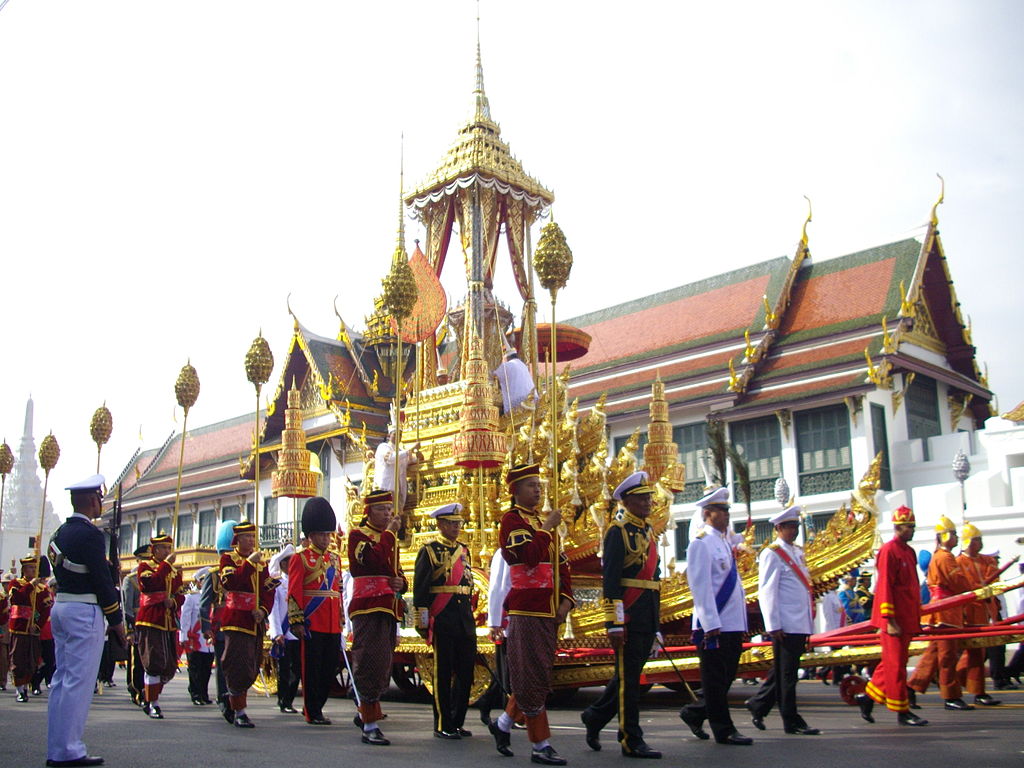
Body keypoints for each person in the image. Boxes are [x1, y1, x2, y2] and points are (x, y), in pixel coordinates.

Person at [488, 463, 574, 766]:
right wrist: (547, 528)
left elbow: (562, 566)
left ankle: (502, 725)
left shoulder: (540, 522)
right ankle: (541, 744)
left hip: (549, 609)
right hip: (525, 609)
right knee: (532, 676)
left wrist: (565, 601)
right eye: (530, 485)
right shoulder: (511, 522)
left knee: (537, 674)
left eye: (539, 485)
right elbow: (529, 557)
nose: (537, 489)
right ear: (515, 491)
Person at [45, 473, 126, 768]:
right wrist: (116, 619)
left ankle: (58, 746)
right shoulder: (91, 535)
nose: (100, 504)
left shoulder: (59, 535)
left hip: (63, 607)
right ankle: (69, 749)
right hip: (84, 611)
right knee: (78, 683)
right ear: (92, 501)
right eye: (99, 499)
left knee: (63, 680)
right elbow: (102, 582)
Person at [580, 470, 662, 758]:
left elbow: (655, 577)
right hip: (627, 614)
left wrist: (657, 622)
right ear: (627, 500)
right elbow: (611, 580)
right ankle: (631, 738)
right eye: (642, 498)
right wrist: (614, 622)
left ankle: (596, 716)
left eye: (648, 497)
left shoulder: (648, 531)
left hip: (646, 614)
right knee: (629, 682)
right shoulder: (617, 532)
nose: (648, 502)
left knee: (628, 676)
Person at [678, 487, 753, 746]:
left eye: (727, 511)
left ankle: (695, 712)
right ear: (708, 514)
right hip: (714, 624)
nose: (726, 515)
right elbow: (700, 586)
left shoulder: (723, 541)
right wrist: (710, 623)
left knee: (726, 677)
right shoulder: (700, 543)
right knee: (715, 678)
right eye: (721, 511)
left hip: (732, 622)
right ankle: (724, 729)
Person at [746, 504, 820, 735]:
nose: (794, 530)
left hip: (799, 622)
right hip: (785, 624)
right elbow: (767, 590)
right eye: (789, 526)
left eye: (795, 526)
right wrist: (773, 625)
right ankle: (791, 720)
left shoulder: (797, 552)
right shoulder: (772, 553)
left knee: (783, 671)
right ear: (778, 528)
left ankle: (759, 705)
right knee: (788, 675)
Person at [855, 505, 927, 726]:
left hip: (907, 617)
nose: (913, 530)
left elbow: (912, 587)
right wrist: (889, 620)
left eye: (913, 526)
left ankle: (867, 698)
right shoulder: (889, 551)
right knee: (896, 666)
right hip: (894, 619)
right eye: (909, 526)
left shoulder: (909, 551)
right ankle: (902, 711)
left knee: (892, 663)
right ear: (898, 527)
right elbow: (885, 586)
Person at [348, 488, 407, 745]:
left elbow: (397, 571)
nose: (387, 514)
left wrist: (400, 583)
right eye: (382, 509)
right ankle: (369, 723)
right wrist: (391, 533)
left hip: (387, 607)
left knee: (383, 663)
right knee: (370, 662)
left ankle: (368, 712)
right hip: (368, 606)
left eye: (389, 510)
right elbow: (371, 560)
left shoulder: (388, 539)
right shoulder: (358, 536)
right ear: (369, 511)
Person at [414, 502, 477, 739]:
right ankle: (443, 723)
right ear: (440, 524)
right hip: (443, 617)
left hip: (464, 618)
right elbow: (420, 591)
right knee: (443, 672)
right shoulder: (429, 551)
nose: (455, 528)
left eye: (458, 523)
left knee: (465, 672)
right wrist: (422, 622)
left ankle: (458, 720)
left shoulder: (464, 550)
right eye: (451, 523)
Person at [287, 497, 343, 725]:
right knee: (312, 669)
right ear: (310, 535)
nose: (326, 539)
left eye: (328, 535)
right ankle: (312, 710)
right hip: (312, 621)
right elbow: (294, 590)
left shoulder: (335, 559)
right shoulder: (300, 558)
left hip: (331, 622)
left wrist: (340, 618)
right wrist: (297, 620)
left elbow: (337, 590)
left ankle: (317, 705)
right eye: (321, 534)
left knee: (329, 668)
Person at [908, 516, 973, 710]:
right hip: (946, 612)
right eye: (953, 534)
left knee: (934, 654)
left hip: (945, 610)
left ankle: (911, 687)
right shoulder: (945, 557)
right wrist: (974, 590)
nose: (956, 538)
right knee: (947, 656)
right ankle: (950, 696)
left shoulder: (942, 556)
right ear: (944, 537)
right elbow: (958, 582)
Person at [218, 521, 276, 728]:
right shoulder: (228, 559)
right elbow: (231, 583)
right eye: (247, 537)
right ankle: (239, 710)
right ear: (237, 540)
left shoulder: (262, 562)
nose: (251, 540)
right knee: (238, 663)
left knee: (253, 664)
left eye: (253, 536)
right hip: (237, 620)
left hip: (255, 620)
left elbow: (269, 589)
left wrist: (263, 610)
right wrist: (249, 564)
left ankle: (232, 697)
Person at [135, 532, 184, 718]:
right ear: (154, 550)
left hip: (168, 621)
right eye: (163, 548)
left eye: (168, 548)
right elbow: (149, 585)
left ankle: (151, 694)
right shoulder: (145, 566)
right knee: (154, 661)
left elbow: (180, 593)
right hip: (151, 619)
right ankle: (152, 702)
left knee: (169, 665)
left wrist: (174, 602)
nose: (166, 551)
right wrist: (165, 565)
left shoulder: (173, 570)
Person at [955, 523, 1004, 706]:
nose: (980, 543)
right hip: (967, 612)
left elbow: (994, 580)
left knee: (978, 652)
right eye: (977, 540)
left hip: (984, 612)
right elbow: (959, 587)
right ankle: (952, 681)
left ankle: (978, 691)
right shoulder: (958, 562)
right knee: (957, 653)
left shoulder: (986, 560)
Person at [200, 520, 239, 722]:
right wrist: (206, 627)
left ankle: (236, 699)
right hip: (222, 626)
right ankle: (224, 698)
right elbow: (205, 603)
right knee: (224, 665)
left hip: (240, 625)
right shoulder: (214, 575)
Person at [9, 553, 52, 702]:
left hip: (33, 630)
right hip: (19, 628)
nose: (32, 571)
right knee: (18, 659)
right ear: (23, 569)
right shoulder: (16, 583)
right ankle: (20, 689)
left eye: (34, 568)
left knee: (32, 660)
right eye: (29, 568)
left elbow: (46, 610)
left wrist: (38, 626)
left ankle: (29, 684)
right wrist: (30, 585)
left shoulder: (43, 589)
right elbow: (16, 599)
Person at [268, 543, 300, 715]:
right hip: (283, 631)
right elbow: (273, 609)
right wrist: (276, 632)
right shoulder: (278, 584)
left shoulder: (298, 582)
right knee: (285, 669)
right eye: (290, 562)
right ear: (284, 565)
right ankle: (284, 701)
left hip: (296, 632)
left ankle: (290, 699)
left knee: (297, 669)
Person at [179, 567, 214, 705]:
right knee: (195, 667)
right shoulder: (191, 598)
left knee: (206, 668)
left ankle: (204, 694)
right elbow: (185, 619)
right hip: (195, 638)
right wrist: (183, 636)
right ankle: (195, 694)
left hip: (208, 640)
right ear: (199, 583)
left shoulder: (215, 598)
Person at [121, 544, 148, 706]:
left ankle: (148, 690)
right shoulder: (130, 580)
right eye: (144, 559)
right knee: (136, 660)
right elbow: (127, 607)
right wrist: (129, 630)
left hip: (150, 624)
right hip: (136, 623)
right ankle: (136, 690)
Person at [373, 428, 421, 513]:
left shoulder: (401, 451)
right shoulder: (384, 447)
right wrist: (410, 450)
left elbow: (408, 461)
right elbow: (391, 459)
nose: (397, 437)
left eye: (400, 435)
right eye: (395, 434)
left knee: (397, 513)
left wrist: (418, 456)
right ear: (389, 435)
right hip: (386, 487)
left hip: (398, 488)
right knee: (387, 512)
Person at [0, 572, 12, 691]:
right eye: (4, 584)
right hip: (3, 629)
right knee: (3, 657)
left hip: (14, 629)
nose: (6, 586)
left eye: (8, 583)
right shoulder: (1, 597)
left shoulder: (15, 595)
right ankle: (2, 681)